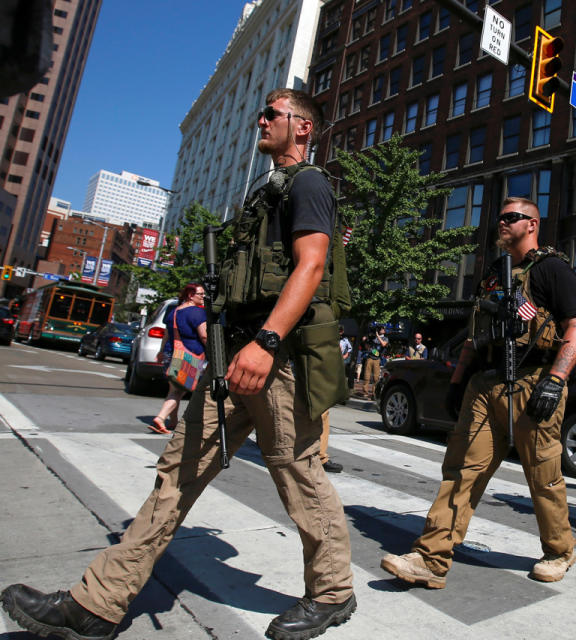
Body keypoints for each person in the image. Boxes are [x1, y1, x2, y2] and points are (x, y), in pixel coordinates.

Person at [0, 88, 356, 640]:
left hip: (275, 360)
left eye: (272, 114)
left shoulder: (309, 183)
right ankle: (96, 605)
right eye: (260, 110)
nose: (260, 120)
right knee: (177, 475)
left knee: (299, 477)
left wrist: (264, 342)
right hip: (234, 361)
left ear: (303, 129)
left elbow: (310, 267)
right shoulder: (267, 191)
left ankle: (332, 593)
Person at [380, 197, 576, 587]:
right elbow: (476, 338)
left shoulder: (553, 269)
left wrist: (556, 380)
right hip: (484, 383)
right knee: (461, 471)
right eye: (500, 217)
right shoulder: (494, 273)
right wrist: (457, 382)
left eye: (511, 218)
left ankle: (560, 551)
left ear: (532, 224)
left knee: (543, 476)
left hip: (531, 381)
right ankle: (431, 559)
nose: (502, 224)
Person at [150, 284, 208, 434]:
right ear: (190, 295)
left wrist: (161, 351)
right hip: (189, 356)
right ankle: (161, 417)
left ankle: (173, 421)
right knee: (179, 391)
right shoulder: (197, 313)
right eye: (200, 294)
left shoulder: (174, 312)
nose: (203, 297)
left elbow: (166, 335)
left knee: (174, 388)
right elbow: (204, 335)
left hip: (171, 353)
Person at [361, 326, 388, 398]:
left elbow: (383, 344)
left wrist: (378, 336)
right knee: (366, 376)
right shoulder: (373, 337)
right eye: (380, 329)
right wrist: (366, 339)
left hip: (377, 359)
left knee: (376, 378)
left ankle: (374, 393)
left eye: (382, 329)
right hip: (370, 357)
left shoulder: (385, 338)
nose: (380, 330)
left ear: (384, 331)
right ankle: (365, 392)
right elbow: (366, 344)